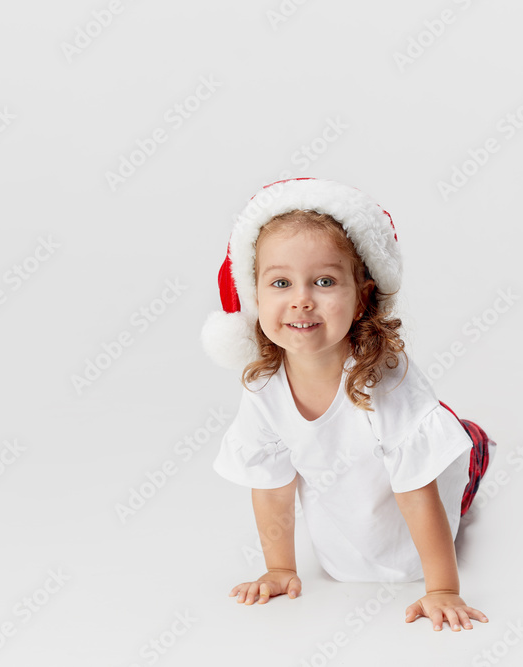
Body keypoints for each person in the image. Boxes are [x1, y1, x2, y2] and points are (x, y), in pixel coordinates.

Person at [200, 177, 496, 632]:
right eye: (280, 282)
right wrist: (280, 568)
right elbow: (271, 483)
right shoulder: (264, 388)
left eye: (324, 281)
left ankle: (472, 442)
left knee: (450, 464)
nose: (301, 299)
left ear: (360, 300)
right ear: (256, 300)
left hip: (419, 513)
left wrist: (441, 588)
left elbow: (416, 488)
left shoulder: (383, 377)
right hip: (349, 536)